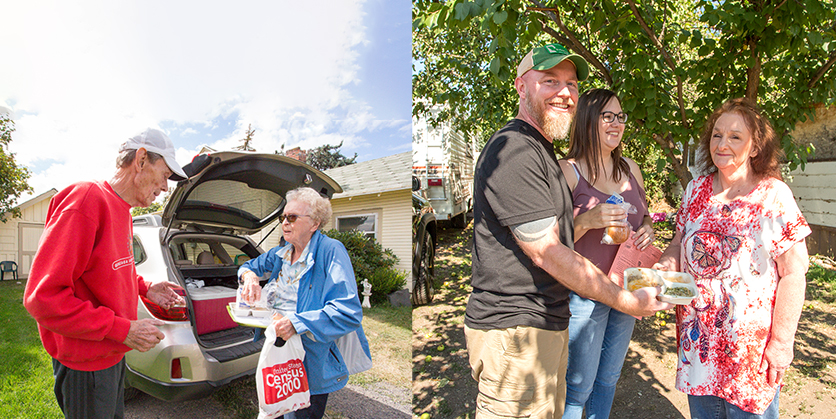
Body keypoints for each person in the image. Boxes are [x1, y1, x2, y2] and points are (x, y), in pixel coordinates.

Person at [464, 43, 672, 419]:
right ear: (521, 86)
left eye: (571, 84)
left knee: (584, 390)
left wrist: (645, 231)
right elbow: (548, 250)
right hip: (518, 327)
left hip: (545, 321)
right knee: (577, 390)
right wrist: (626, 300)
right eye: (549, 81)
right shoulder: (515, 150)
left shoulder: (538, 149)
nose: (564, 92)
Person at [654, 98, 810, 418]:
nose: (722, 143)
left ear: (755, 147)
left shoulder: (772, 195)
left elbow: (795, 272)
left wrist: (781, 344)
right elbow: (679, 241)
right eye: (716, 134)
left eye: (735, 136)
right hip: (699, 349)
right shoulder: (695, 190)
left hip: (750, 358)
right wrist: (667, 265)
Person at [23, 128, 187, 419]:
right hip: (86, 365)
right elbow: (43, 298)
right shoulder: (86, 200)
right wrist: (123, 330)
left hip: (111, 354)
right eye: (165, 175)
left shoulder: (123, 210)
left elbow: (108, 269)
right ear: (140, 160)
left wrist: (144, 287)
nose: (165, 187)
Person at [557, 89, 654, 419]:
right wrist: (587, 220)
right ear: (587, 121)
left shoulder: (631, 169)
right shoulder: (568, 172)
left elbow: (646, 215)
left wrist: (649, 228)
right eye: (607, 116)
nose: (617, 123)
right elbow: (546, 241)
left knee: (609, 378)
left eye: (621, 116)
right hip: (585, 293)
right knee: (578, 386)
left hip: (627, 287)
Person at [238, 187, 371, 419]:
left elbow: (347, 311)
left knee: (300, 415)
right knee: (276, 409)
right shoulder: (281, 253)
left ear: (314, 224)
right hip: (280, 350)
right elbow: (248, 266)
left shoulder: (331, 251)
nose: (284, 223)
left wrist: (296, 323)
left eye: (292, 217)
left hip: (310, 357)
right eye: (283, 218)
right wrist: (249, 276)